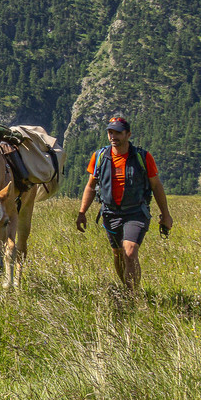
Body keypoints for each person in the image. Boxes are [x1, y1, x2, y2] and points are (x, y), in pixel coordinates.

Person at [77, 114, 173, 290]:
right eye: (110, 132)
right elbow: (91, 186)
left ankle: (132, 297)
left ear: (128, 135)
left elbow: (156, 186)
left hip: (136, 212)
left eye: (118, 133)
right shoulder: (99, 157)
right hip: (110, 213)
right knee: (118, 254)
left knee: (129, 252)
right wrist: (82, 212)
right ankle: (126, 288)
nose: (113, 136)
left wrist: (165, 215)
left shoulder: (142, 158)